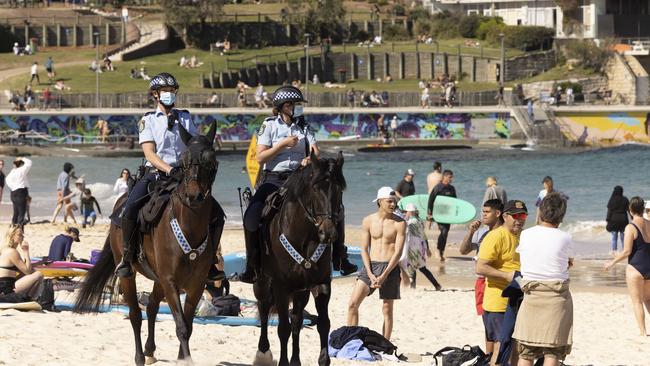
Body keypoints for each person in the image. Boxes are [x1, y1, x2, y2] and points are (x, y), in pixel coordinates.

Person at [239, 85, 357, 283]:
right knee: (251, 217)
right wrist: (282, 145)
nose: (298, 108)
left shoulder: (305, 126)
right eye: (294, 104)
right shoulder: (269, 125)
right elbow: (260, 157)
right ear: (283, 106)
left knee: (336, 207)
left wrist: (310, 160)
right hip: (274, 179)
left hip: (301, 178)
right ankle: (253, 264)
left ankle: (340, 257)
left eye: (299, 104)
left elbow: (315, 151)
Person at [114, 72, 223, 281]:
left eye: (172, 91)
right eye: (165, 92)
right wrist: (169, 169)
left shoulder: (185, 117)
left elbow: (193, 145)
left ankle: (209, 262)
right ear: (155, 94)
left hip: (183, 175)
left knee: (217, 213)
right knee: (129, 210)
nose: (170, 95)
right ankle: (127, 258)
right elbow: (149, 153)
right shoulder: (148, 120)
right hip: (156, 174)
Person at [513, 193, 574, 366]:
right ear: (561, 216)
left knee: (526, 351)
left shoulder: (526, 234)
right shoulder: (565, 237)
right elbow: (569, 262)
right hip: (556, 298)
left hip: (532, 296)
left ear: (541, 211)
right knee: (552, 351)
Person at [347, 187, 406, 340]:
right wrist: (371, 273)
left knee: (387, 309)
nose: (393, 204)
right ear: (380, 202)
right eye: (389, 201)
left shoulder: (400, 223)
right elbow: (364, 249)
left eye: (394, 201)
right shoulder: (368, 220)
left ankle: (385, 344)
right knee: (353, 304)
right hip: (370, 266)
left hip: (390, 267)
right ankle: (350, 340)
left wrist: (384, 275)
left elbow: (398, 252)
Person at [476, 200, 527, 366]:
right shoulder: (495, 236)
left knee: (515, 347)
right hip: (498, 302)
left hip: (517, 300)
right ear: (505, 216)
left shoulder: (522, 236)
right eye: (516, 216)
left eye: (523, 215)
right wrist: (507, 276)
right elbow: (481, 267)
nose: (520, 219)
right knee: (500, 348)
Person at [459, 199, 504, 357]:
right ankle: (489, 355)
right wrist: (471, 232)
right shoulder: (481, 232)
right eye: (482, 212)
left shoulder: (504, 232)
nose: (483, 215)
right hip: (480, 282)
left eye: (487, 212)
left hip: (495, 281)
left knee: (496, 322)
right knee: (487, 321)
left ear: (497, 214)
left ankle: (494, 356)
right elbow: (463, 250)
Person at [604, 197, 650, 336]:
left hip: (636, 269)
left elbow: (627, 251)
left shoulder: (630, 227)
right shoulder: (649, 223)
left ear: (630, 210)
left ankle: (643, 332)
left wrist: (611, 263)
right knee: (648, 299)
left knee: (637, 302)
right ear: (643, 209)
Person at [400, 203, 441, 290]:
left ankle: (413, 286)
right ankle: (436, 285)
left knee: (412, 266)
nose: (405, 213)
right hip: (420, 247)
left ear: (410, 212)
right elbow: (424, 235)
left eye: (406, 212)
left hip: (413, 247)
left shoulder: (411, 222)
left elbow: (405, 232)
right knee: (421, 268)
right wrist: (427, 248)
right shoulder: (419, 221)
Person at [0, 226, 43, 299]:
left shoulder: (5, 250)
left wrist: (40, 263)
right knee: (38, 275)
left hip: (3, 286)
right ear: (12, 236)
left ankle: (30, 298)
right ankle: (31, 299)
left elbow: (23, 269)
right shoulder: (12, 252)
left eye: (23, 235)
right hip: (6, 290)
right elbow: (27, 271)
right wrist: (26, 251)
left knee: (33, 271)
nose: (22, 237)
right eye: (20, 235)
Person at [427, 170, 456, 261]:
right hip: (438, 213)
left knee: (445, 232)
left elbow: (456, 202)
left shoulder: (452, 188)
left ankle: (441, 251)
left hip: (448, 215)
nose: (451, 179)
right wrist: (430, 213)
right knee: (443, 231)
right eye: (450, 177)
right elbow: (430, 200)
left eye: (452, 177)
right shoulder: (438, 188)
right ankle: (439, 251)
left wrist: (455, 214)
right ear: (445, 177)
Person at [5, 157, 32, 226]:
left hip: (13, 192)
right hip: (21, 192)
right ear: (21, 164)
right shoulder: (21, 170)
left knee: (16, 212)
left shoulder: (12, 171)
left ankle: (13, 226)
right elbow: (29, 162)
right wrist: (22, 158)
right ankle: (19, 230)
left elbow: (7, 180)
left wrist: (13, 187)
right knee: (21, 213)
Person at [606, 186, 629, 256]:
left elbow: (609, 211)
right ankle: (625, 251)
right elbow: (629, 210)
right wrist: (632, 217)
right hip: (623, 220)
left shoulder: (612, 199)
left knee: (614, 237)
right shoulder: (625, 199)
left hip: (614, 220)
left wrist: (607, 219)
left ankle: (614, 251)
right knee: (623, 237)